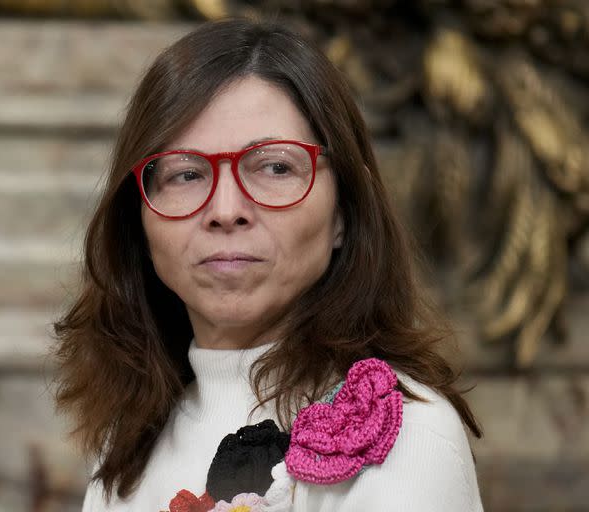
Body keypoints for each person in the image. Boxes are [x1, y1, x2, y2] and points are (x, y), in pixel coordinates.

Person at [53, 18, 484, 512]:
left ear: (345, 208)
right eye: (186, 174)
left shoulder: (408, 434)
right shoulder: (129, 441)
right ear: (138, 217)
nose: (225, 210)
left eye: (276, 167)